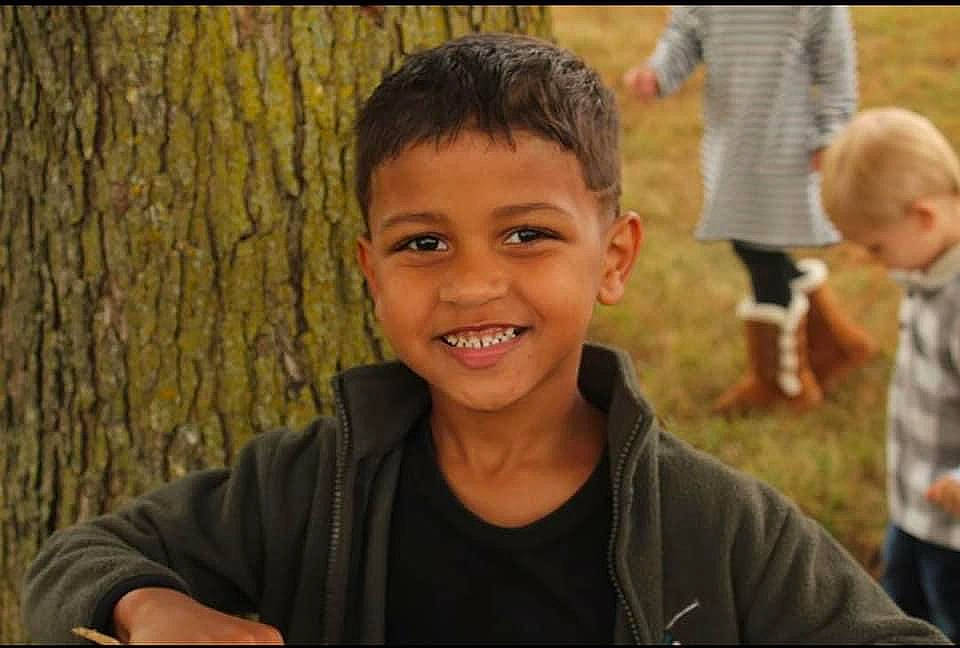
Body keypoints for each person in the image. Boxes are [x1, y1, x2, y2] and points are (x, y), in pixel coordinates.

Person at [22, 34, 947, 645]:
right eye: (423, 244)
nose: (470, 285)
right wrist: (150, 606)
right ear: (372, 271)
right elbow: (74, 560)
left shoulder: (720, 527)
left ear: (614, 258)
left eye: (527, 234)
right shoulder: (303, 488)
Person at [623, 6, 876, 416]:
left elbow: (836, 67)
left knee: (757, 243)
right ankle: (834, 344)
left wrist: (831, 132)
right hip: (731, 140)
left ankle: (782, 384)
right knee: (752, 238)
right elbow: (686, 34)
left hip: (788, 142)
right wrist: (659, 72)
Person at [820, 106, 960, 642]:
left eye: (877, 247)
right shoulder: (927, 267)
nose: (874, 261)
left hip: (954, 533)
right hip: (915, 509)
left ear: (923, 217)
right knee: (895, 613)